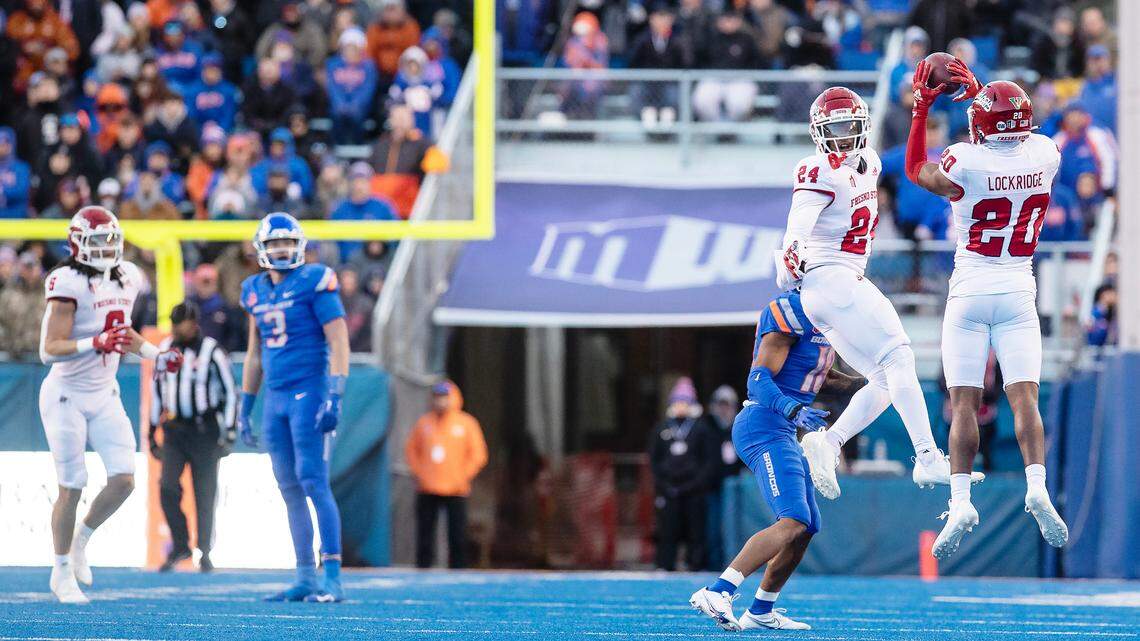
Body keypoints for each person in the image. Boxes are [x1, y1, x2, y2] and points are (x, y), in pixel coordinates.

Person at [902, 59, 1069, 558]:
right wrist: (983, 98)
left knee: (964, 404)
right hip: (1019, 288)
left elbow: (915, 170)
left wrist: (921, 108)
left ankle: (960, 500)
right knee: (1024, 399)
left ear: (980, 127)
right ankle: (1036, 485)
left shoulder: (964, 161)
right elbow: (1004, 138)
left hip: (971, 288)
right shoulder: (1045, 153)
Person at [775, 87, 960, 503]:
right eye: (833, 129)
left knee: (883, 377)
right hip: (831, 279)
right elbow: (798, 226)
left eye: (848, 127)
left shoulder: (871, 162)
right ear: (818, 133)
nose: (842, 137)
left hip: (834, 287)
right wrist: (791, 254)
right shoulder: (815, 170)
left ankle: (829, 442)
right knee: (900, 356)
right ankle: (927, 455)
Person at [689, 290, 864, 631]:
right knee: (794, 518)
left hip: (782, 429)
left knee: (807, 526)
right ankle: (718, 590)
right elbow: (757, 381)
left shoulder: (827, 321)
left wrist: (878, 384)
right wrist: (793, 409)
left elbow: (822, 378)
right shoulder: (791, 314)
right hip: (763, 424)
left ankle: (761, 610)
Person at [38, 206, 183, 603]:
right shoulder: (66, 282)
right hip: (66, 394)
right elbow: (48, 350)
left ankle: (82, 539)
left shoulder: (129, 276)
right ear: (77, 244)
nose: (106, 248)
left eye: (111, 240)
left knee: (124, 479)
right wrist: (93, 343)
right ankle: (61, 569)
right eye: (97, 241)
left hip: (104, 393)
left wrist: (157, 354)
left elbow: (123, 332)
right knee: (72, 485)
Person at [237, 212, 350, 602]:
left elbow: (338, 341)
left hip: (310, 390)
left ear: (299, 245)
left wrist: (335, 393)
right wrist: (245, 404)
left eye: (288, 242)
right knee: (288, 486)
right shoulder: (253, 289)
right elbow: (254, 355)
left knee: (313, 480)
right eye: (274, 244)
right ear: (261, 249)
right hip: (276, 397)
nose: (282, 249)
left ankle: (331, 575)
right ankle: (304, 575)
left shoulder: (315, 281)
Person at [149, 301, 237, 573]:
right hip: (175, 430)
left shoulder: (211, 351)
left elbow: (230, 392)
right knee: (167, 486)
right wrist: (152, 432)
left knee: (205, 492)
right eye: (174, 323)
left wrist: (230, 431)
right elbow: (157, 391)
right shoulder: (164, 348)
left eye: (181, 323)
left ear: (193, 323)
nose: (177, 328)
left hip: (204, 430)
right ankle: (180, 545)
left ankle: (205, 551)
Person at [405, 380, 488, 569]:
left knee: (457, 533)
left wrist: (462, 475)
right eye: (437, 398)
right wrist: (420, 473)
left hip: (456, 488)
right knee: (425, 532)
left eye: (444, 398)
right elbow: (411, 450)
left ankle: (458, 567)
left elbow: (478, 454)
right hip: (427, 487)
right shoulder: (424, 423)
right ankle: (423, 568)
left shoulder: (466, 424)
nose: (440, 402)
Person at [648, 377, 717, 572]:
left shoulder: (701, 429)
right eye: (677, 402)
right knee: (667, 530)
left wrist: (695, 484)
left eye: (685, 402)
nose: (681, 407)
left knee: (696, 529)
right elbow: (654, 459)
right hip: (669, 489)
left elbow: (709, 461)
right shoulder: (662, 429)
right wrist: (663, 484)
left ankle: (695, 563)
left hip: (694, 490)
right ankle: (665, 564)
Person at [699, 385, 743, 571]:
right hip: (710, 487)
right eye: (721, 405)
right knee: (711, 527)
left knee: (732, 528)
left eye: (728, 405)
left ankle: (732, 564)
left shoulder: (739, 429)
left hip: (735, 489)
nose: (724, 410)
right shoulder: (705, 429)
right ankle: (712, 562)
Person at [329, 162, 397, 261]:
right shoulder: (339, 209)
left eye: (363, 181)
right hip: (346, 266)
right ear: (350, 183)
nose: (359, 186)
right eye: (356, 181)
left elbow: (395, 237)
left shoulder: (383, 206)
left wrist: (382, 244)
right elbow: (331, 241)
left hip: (376, 263)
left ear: (370, 183)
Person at [326, 27, 379, 145]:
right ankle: (337, 147)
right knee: (336, 114)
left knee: (356, 116)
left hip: (360, 108)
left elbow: (367, 90)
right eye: (347, 48)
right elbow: (332, 89)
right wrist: (340, 105)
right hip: (338, 107)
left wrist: (355, 105)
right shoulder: (333, 64)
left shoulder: (368, 66)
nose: (350, 51)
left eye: (353, 48)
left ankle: (357, 146)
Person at [0, 127, 31, 219]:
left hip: (15, 218)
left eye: (4, 144)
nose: (1, 147)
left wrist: (2, 192)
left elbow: (22, 192)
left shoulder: (21, 167)